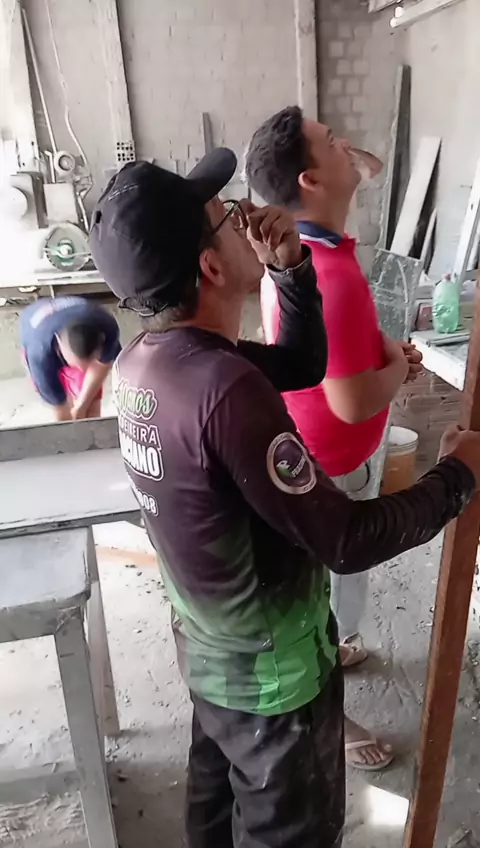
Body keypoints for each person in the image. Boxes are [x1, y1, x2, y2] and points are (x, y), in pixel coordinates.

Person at [90, 149, 480, 848]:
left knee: (214, 825)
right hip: (276, 689)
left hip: (214, 662)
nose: (248, 218)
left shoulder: (149, 362)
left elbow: (300, 365)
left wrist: (290, 270)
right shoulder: (224, 390)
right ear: (210, 268)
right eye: (227, 217)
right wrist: (457, 476)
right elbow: (345, 539)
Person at [245, 105, 423, 770]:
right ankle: (333, 717)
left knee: (329, 585)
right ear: (311, 181)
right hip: (333, 461)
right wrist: (397, 368)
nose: (347, 144)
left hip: (320, 455)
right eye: (330, 141)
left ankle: (334, 646)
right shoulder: (330, 272)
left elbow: (340, 352)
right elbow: (351, 402)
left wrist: (385, 354)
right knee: (320, 593)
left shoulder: (312, 254)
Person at [20, 295, 121, 421]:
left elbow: (103, 364)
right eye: (77, 364)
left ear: (102, 340)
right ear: (59, 343)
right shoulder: (39, 354)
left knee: (91, 407)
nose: (83, 369)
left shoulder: (107, 326)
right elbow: (60, 410)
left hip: (83, 317)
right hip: (35, 329)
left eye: (90, 361)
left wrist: (82, 405)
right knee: (61, 401)